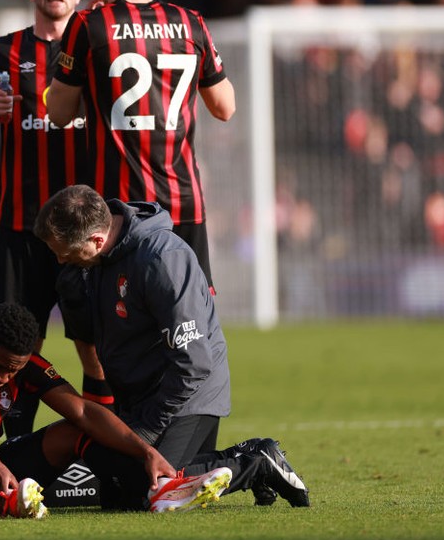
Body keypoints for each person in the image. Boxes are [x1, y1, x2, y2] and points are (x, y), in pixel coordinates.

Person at [34, 185, 311, 509]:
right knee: (114, 490)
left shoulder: (162, 259)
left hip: (187, 397)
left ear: (96, 240)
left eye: (64, 251)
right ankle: (201, 468)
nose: (60, 258)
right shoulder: (94, 261)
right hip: (138, 397)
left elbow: (194, 364)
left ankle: (256, 462)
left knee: (146, 489)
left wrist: (147, 432)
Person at [0, 301, 256, 517]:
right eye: (0, 367)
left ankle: (158, 489)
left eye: (14, 369)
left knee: (71, 432)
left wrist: (145, 452)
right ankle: (8, 498)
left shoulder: (21, 366)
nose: (5, 377)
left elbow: (84, 412)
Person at [0, 0, 111, 437]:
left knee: (93, 343)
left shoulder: (98, 49)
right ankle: (15, 441)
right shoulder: (0, 52)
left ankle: (100, 437)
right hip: (22, 224)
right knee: (13, 342)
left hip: (84, 233)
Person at [46, 0, 237, 293]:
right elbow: (225, 107)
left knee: (125, 320)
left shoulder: (88, 25)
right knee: (191, 312)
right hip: (182, 198)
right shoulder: (190, 22)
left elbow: (59, 113)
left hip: (119, 208)